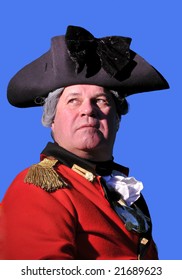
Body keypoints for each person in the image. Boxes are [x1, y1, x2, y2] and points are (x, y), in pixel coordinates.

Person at [1, 25, 169, 260]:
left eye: (100, 100)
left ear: (117, 118)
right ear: (52, 119)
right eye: (73, 101)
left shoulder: (124, 196)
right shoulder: (37, 187)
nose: (88, 110)